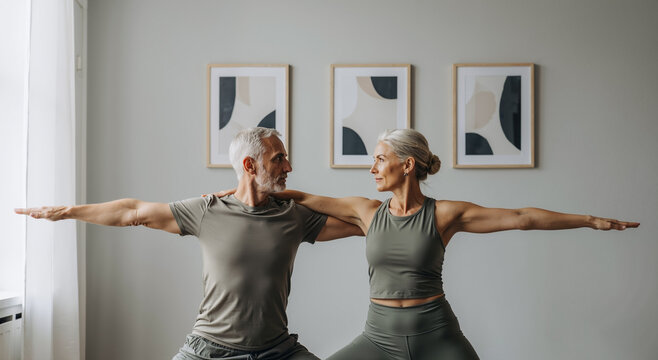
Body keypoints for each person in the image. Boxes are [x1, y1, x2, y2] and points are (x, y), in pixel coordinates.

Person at [264, 129, 639, 360]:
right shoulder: (366, 211)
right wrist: (238, 192)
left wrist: (589, 220)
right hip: (379, 337)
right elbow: (301, 197)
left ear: (407, 165)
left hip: (436, 334)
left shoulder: (444, 214)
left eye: (380, 159)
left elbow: (522, 217)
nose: (373, 168)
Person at [15, 127, 362, 360]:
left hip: (277, 350)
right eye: (278, 159)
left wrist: (300, 195)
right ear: (249, 165)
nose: (289, 165)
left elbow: (362, 222)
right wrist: (66, 211)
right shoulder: (208, 211)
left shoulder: (293, 215)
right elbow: (132, 211)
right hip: (211, 349)